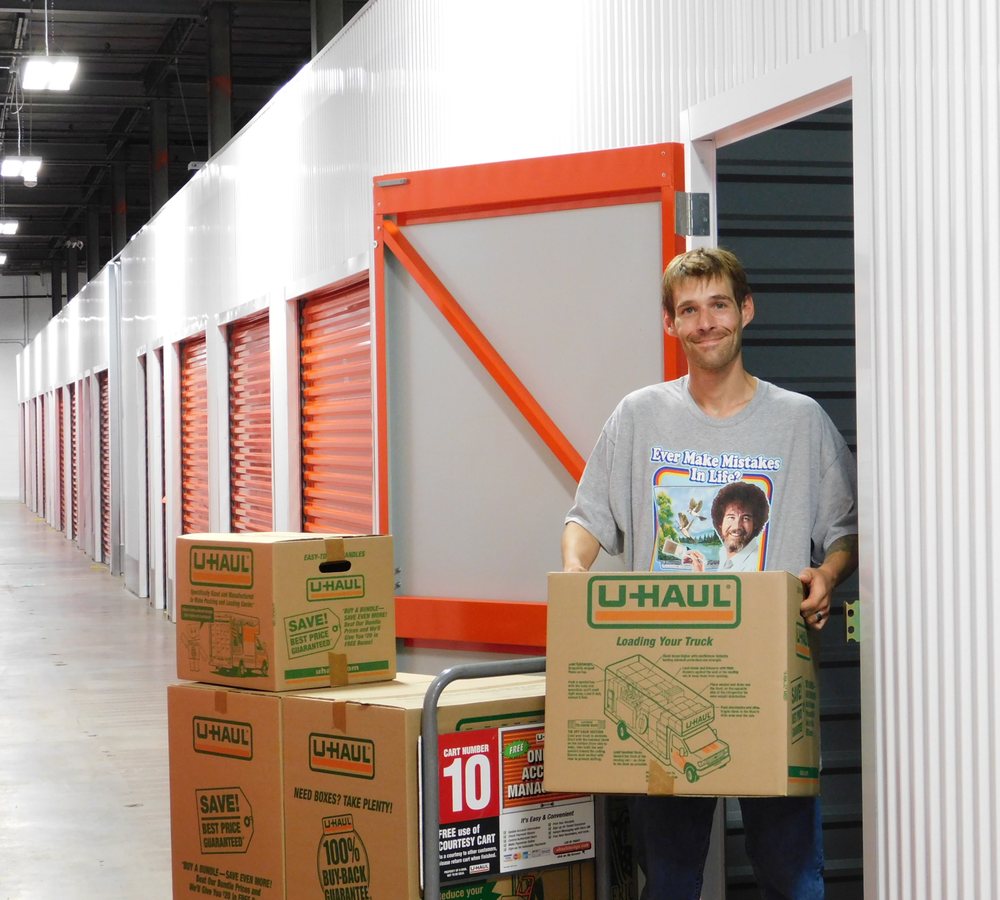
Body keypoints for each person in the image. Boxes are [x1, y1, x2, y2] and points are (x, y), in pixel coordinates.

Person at [561, 247, 858, 899]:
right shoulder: (638, 416)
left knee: (792, 878)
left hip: (770, 684)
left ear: (746, 310)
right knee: (669, 880)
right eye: (689, 310)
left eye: (719, 305)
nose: (706, 323)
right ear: (670, 323)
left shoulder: (800, 421)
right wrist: (576, 569)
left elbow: (845, 532)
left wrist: (829, 575)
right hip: (664, 674)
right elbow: (586, 518)